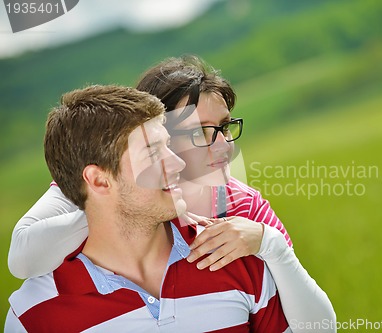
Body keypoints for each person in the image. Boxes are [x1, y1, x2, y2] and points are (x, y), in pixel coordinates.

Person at [8, 56, 336, 331]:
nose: (225, 144)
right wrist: (119, 207)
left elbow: (314, 323)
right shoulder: (84, 191)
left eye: (224, 126)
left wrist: (269, 242)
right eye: (201, 132)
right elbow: (22, 257)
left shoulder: (242, 206)